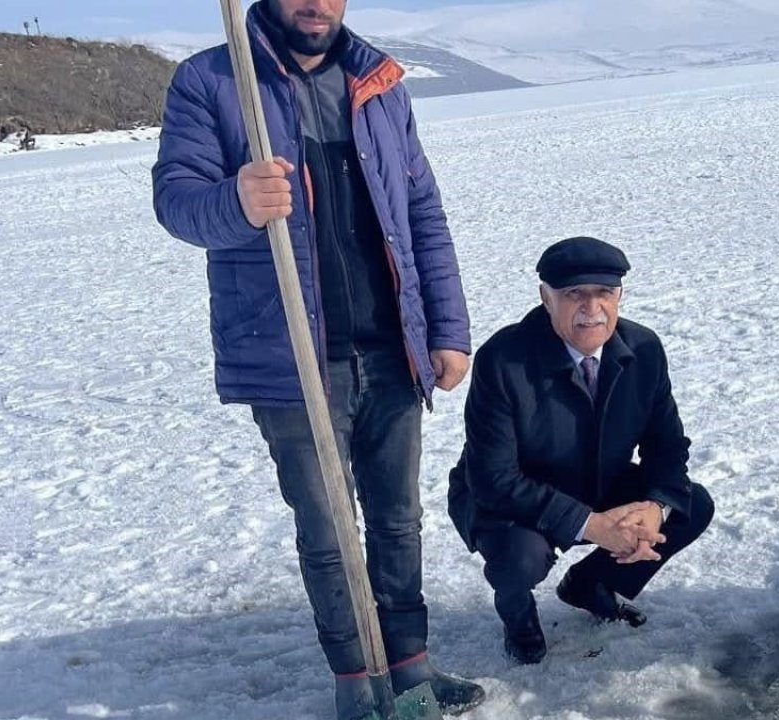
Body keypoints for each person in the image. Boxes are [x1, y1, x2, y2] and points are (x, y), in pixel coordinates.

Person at [151, 1, 484, 716]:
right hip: (291, 355)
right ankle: (357, 685)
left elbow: (421, 208)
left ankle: (412, 671)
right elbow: (176, 202)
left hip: (391, 344)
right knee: (328, 526)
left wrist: (446, 328)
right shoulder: (213, 82)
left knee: (398, 518)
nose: (316, 2)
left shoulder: (379, 83)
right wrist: (236, 199)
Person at [447, 236, 715, 664]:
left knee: (690, 505)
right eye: (574, 295)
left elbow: (667, 447)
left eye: (604, 293)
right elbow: (493, 479)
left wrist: (655, 507)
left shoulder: (643, 351)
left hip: (596, 479)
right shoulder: (504, 359)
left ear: (620, 297)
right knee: (520, 559)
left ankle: (588, 585)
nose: (593, 308)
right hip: (509, 500)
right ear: (546, 298)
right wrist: (590, 524)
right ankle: (518, 618)